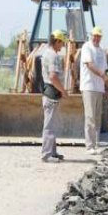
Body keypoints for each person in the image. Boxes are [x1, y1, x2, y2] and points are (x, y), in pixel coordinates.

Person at [80, 26, 108, 155]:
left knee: (97, 117)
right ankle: (89, 145)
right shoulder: (87, 47)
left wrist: (106, 86)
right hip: (89, 87)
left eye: (99, 36)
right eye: (95, 36)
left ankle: (96, 143)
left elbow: (105, 69)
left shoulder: (102, 51)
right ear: (91, 35)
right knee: (90, 116)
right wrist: (103, 76)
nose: (96, 38)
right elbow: (90, 64)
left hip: (99, 88)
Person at [41, 29, 68, 162]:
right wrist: (63, 90)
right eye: (61, 42)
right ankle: (46, 154)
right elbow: (53, 76)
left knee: (52, 125)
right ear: (57, 41)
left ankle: (53, 152)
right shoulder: (52, 56)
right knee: (50, 126)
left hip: (51, 93)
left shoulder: (47, 53)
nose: (62, 45)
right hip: (52, 93)